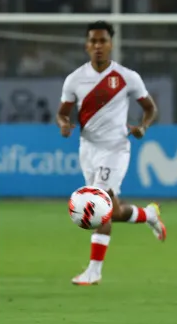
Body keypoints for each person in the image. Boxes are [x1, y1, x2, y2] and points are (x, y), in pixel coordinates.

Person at [57, 20, 167, 286]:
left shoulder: (128, 77)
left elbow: (150, 108)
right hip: (88, 149)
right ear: (87, 46)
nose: (98, 46)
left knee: (99, 205)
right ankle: (148, 215)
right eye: (93, 41)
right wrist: (64, 125)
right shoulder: (75, 79)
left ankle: (94, 271)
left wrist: (143, 126)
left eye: (102, 41)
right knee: (113, 210)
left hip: (116, 148)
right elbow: (62, 113)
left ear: (111, 44)